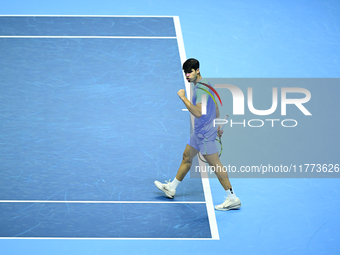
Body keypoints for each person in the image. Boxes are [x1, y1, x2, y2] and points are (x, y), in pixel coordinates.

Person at [154, 58, 241, 211]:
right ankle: (172, 188)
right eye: (185, 73)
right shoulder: (206, 83)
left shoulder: (200, 89)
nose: (187, 75)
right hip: (200, 132)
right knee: (186, 157)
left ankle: (232, 198)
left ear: (197, 70)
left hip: (205, 136)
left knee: (216, 166)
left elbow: (198, 112)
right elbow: (215, 106)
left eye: (190, 72)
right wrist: (218, 124)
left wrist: (183, 98)